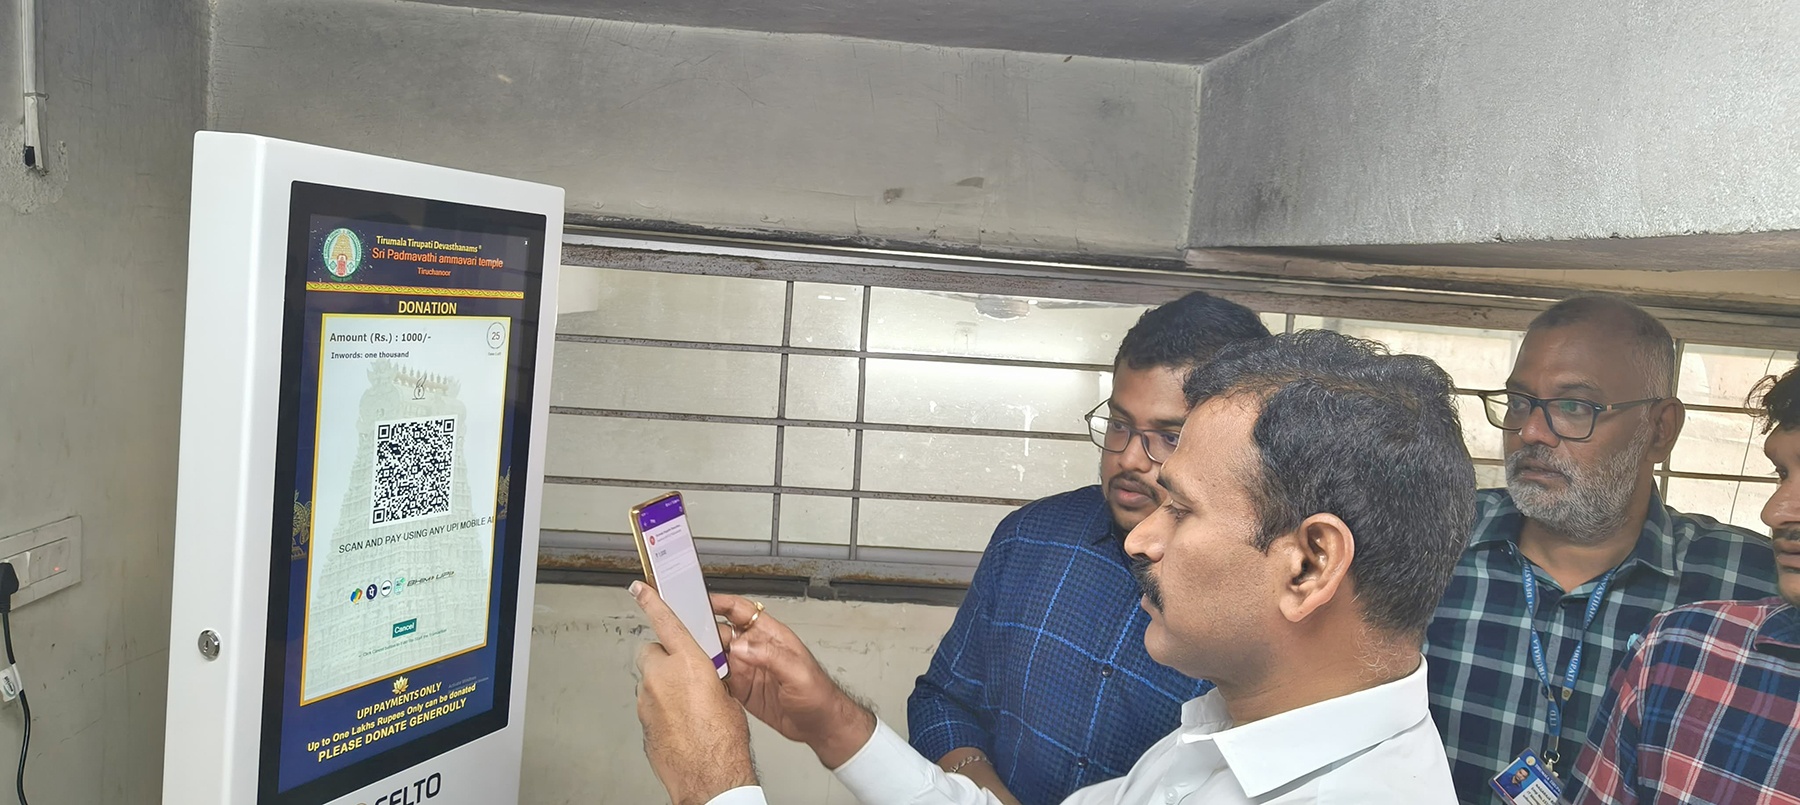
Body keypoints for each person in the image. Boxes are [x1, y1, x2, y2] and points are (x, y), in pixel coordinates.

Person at [633, 331, 1478, 805]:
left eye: (1181, 509)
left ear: (1310, 564)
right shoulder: (1219, 738)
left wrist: (715, 782)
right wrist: (831, 721)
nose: (1140, 542)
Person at [909, 292, 1269, 805]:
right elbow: (942, 701)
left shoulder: (1258, 603)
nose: (1129, 459)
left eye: (1168, 436)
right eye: (1119, 424)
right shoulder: (1028, 538)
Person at [1424, 295, 1781, 803]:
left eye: (1574, 407)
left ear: (1660, 430)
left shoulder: (1751, 585)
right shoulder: (1432, 539)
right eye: (1520, 402)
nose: (1530, 431)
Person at [1563, 360, 1800, 803]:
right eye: (1781, 474)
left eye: (1576, 407)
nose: (1774, 513)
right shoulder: (1681, 651)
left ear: (1660, 429)